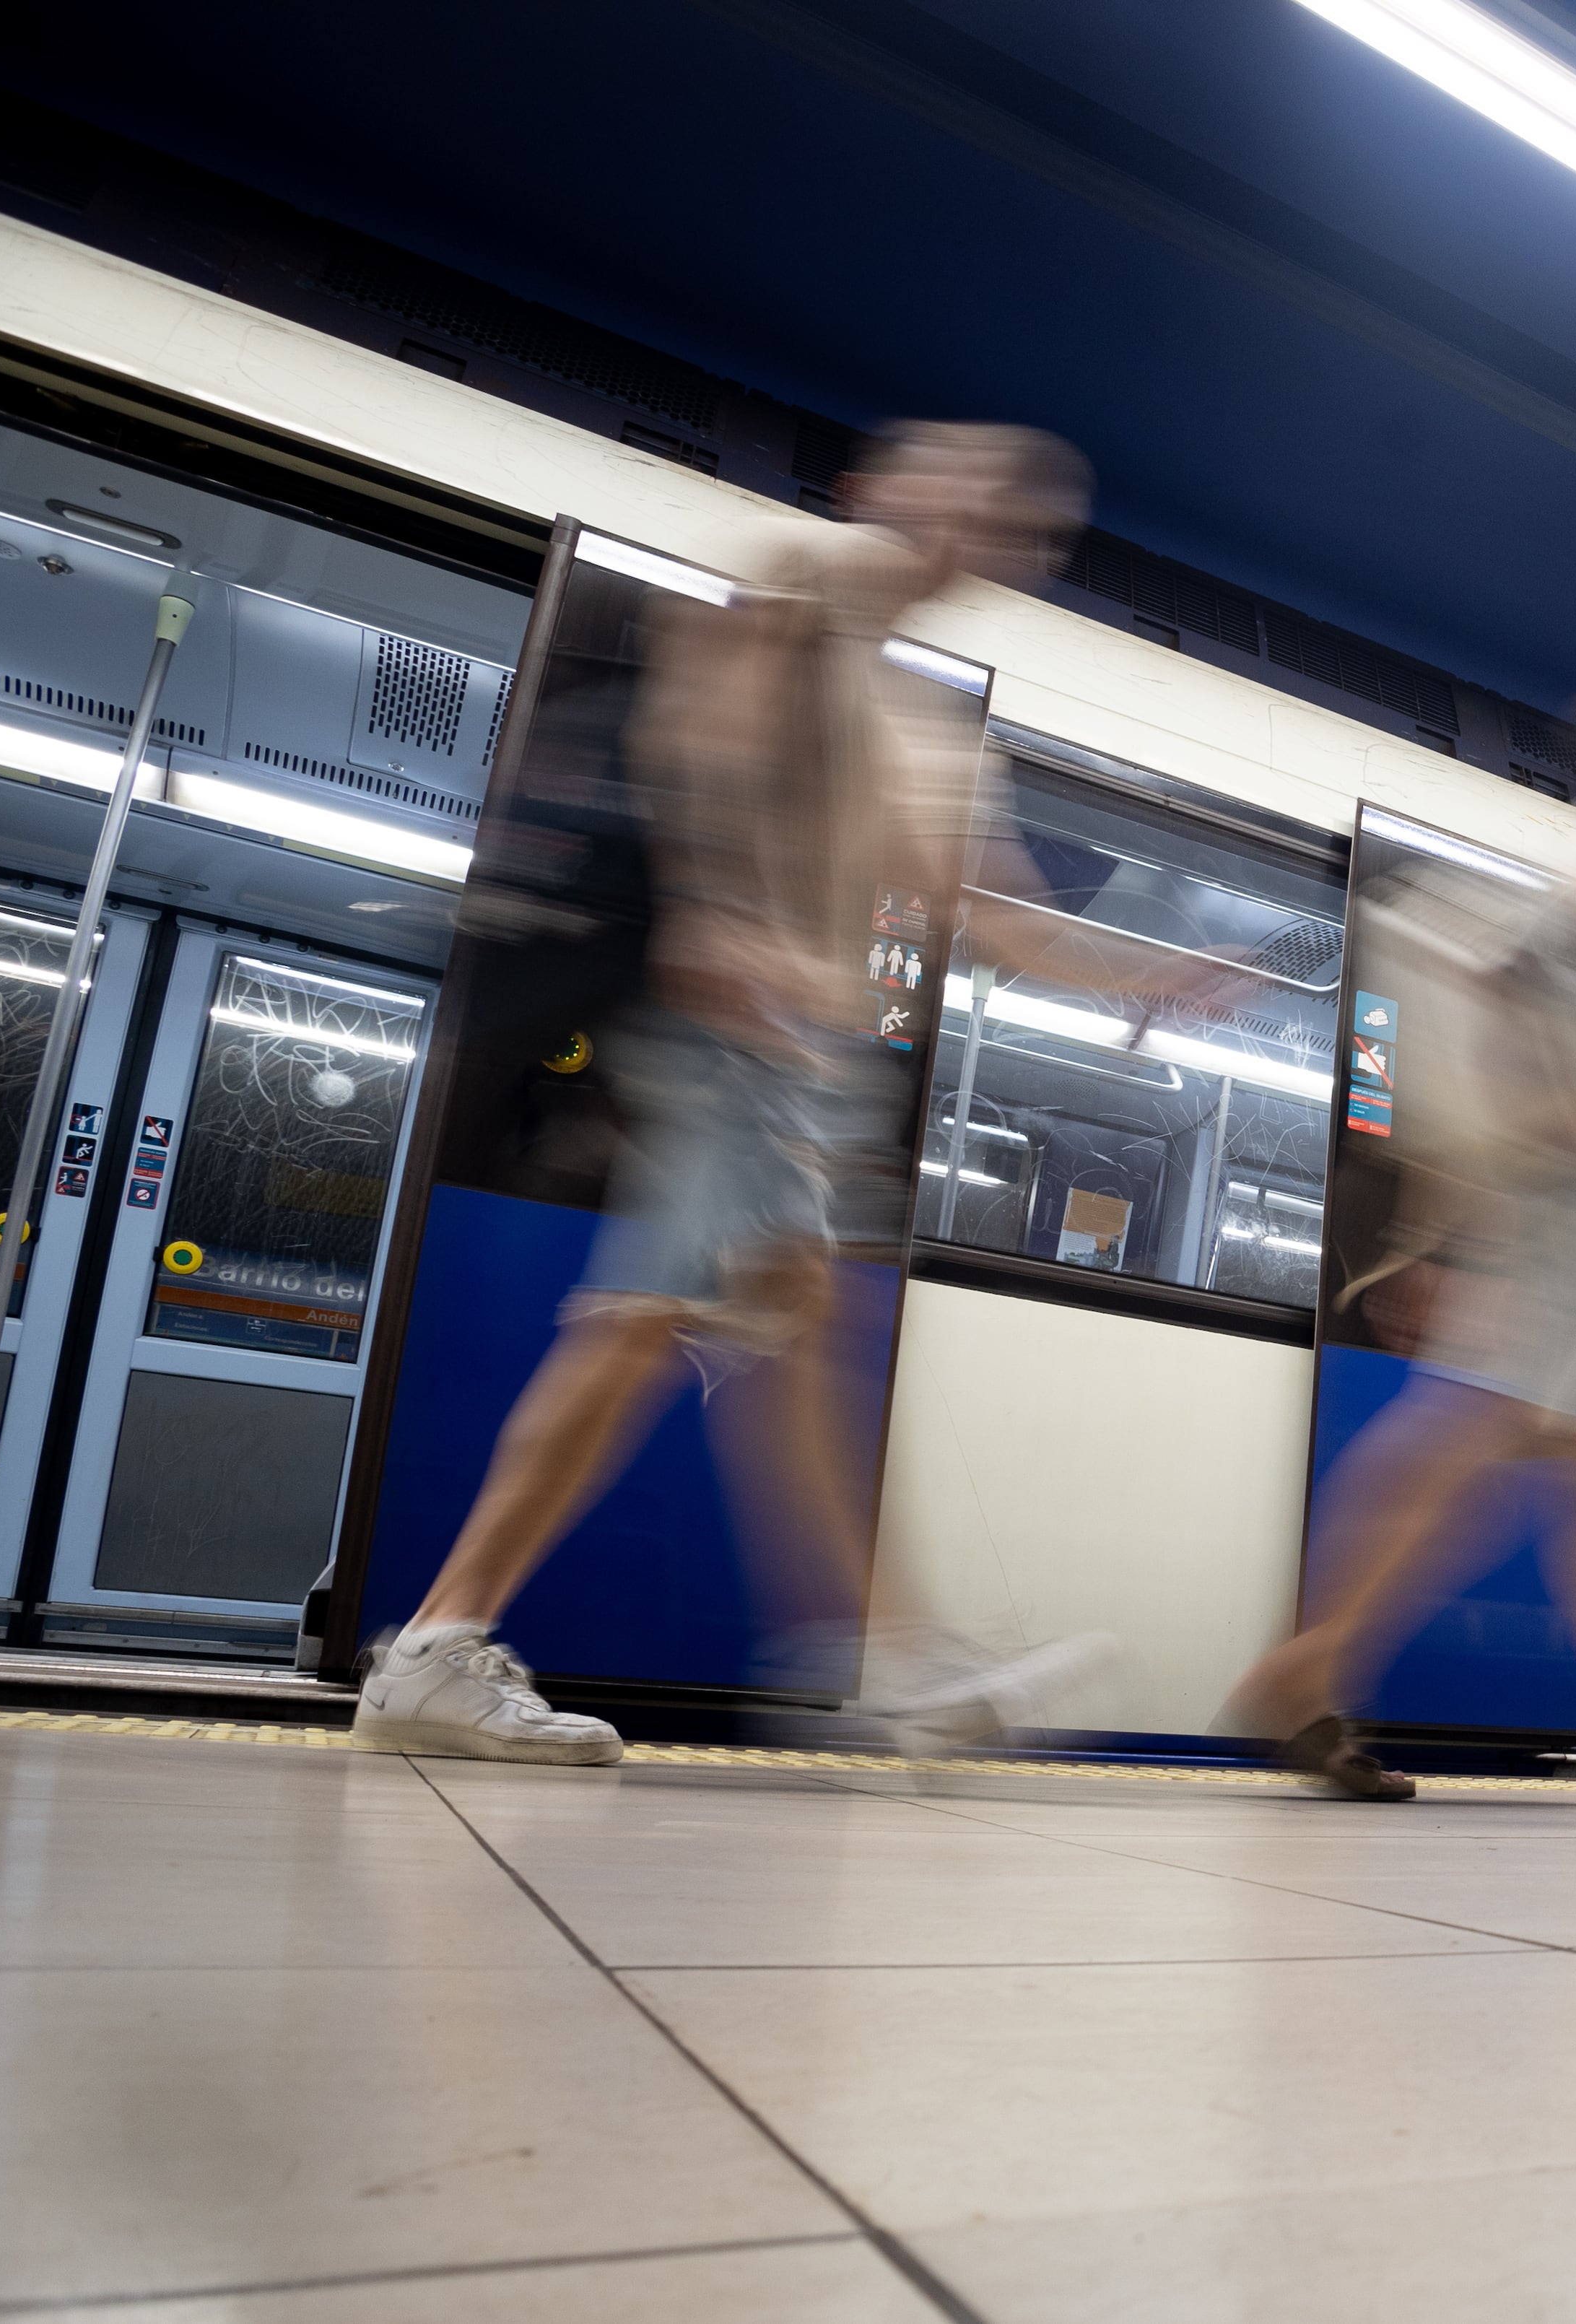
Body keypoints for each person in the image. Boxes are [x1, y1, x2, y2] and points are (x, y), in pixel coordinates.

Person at [352, 425, 1163, 1764]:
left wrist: (1152, 977)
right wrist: (720, 911)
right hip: (739, 1024)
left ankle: (877, 1647)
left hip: (804, 1056)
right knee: (651, 1322)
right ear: (879, 491)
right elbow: (699, 721)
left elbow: (988, 906)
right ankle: (446, 1645)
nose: (980, 525)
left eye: (1015, 523)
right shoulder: (810, 574)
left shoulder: (917, 721)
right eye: (958, 488)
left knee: (785, 1332)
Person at [1219, 789, 1576, 1805]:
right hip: (1561, 1207)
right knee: (1477, 1440)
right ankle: (1302, 1671)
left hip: (1566, 1211)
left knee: (1558, 1481)